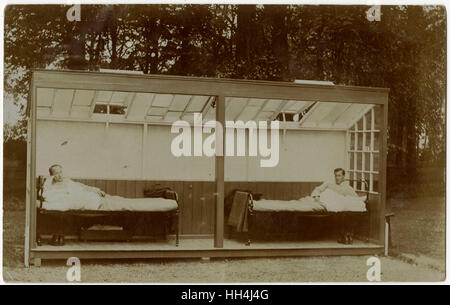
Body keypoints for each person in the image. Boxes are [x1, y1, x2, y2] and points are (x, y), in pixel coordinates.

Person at [42, 164, 106, 246]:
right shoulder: (49, 184)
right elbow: (45, 193)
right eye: (56, 173)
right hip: (62, 205)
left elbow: (82, 187)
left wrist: (96, 190)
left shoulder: (67, 182)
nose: (60, 175)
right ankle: (58, 237)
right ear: (52, 175)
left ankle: (59, 237)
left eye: (61, 172)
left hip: (78, 200)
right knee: (59, 212)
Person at [311, 168, 358, 245]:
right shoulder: (329, 184)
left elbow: (355, 197)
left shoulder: (347, 187)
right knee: (341, 214)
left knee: (347, 213)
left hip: (340, 207)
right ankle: (344, 236)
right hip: (329, 203)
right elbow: (318, 189)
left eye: (339, 176)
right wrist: (316, 196)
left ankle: (347, 235)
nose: (337, 178)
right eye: (335, 176)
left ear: (343, 177)